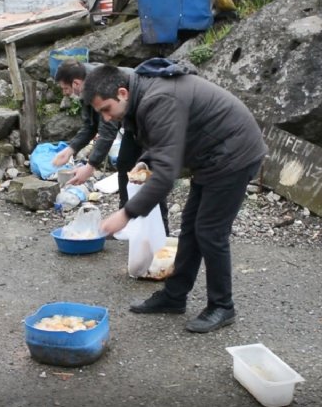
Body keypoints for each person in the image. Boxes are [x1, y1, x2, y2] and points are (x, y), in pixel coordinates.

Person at [82, 61, 267, 334]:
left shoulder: (158, 99)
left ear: (122, 93)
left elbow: (167, 174)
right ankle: (175, 295)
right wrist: (146, 160)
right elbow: (164, 140)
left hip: (234, 154)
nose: (107, 118)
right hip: (211, 155)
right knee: (191, 227)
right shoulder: (143, 93)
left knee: (210, 232)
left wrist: (126, 213)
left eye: (106, 110)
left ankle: (222, 306)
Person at [50, 59, 169, 233]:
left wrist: (90, 166)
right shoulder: (85, 89)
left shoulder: (98, 84)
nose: (65, 93)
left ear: (76, 83)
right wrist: (70, 150)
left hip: (149, 115)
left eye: (65, 88)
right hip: (131, 122)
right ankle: (127, 222)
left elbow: (108, 129)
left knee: (151, 170)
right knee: (125, 164)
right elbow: (90, 125)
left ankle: (162, 230)